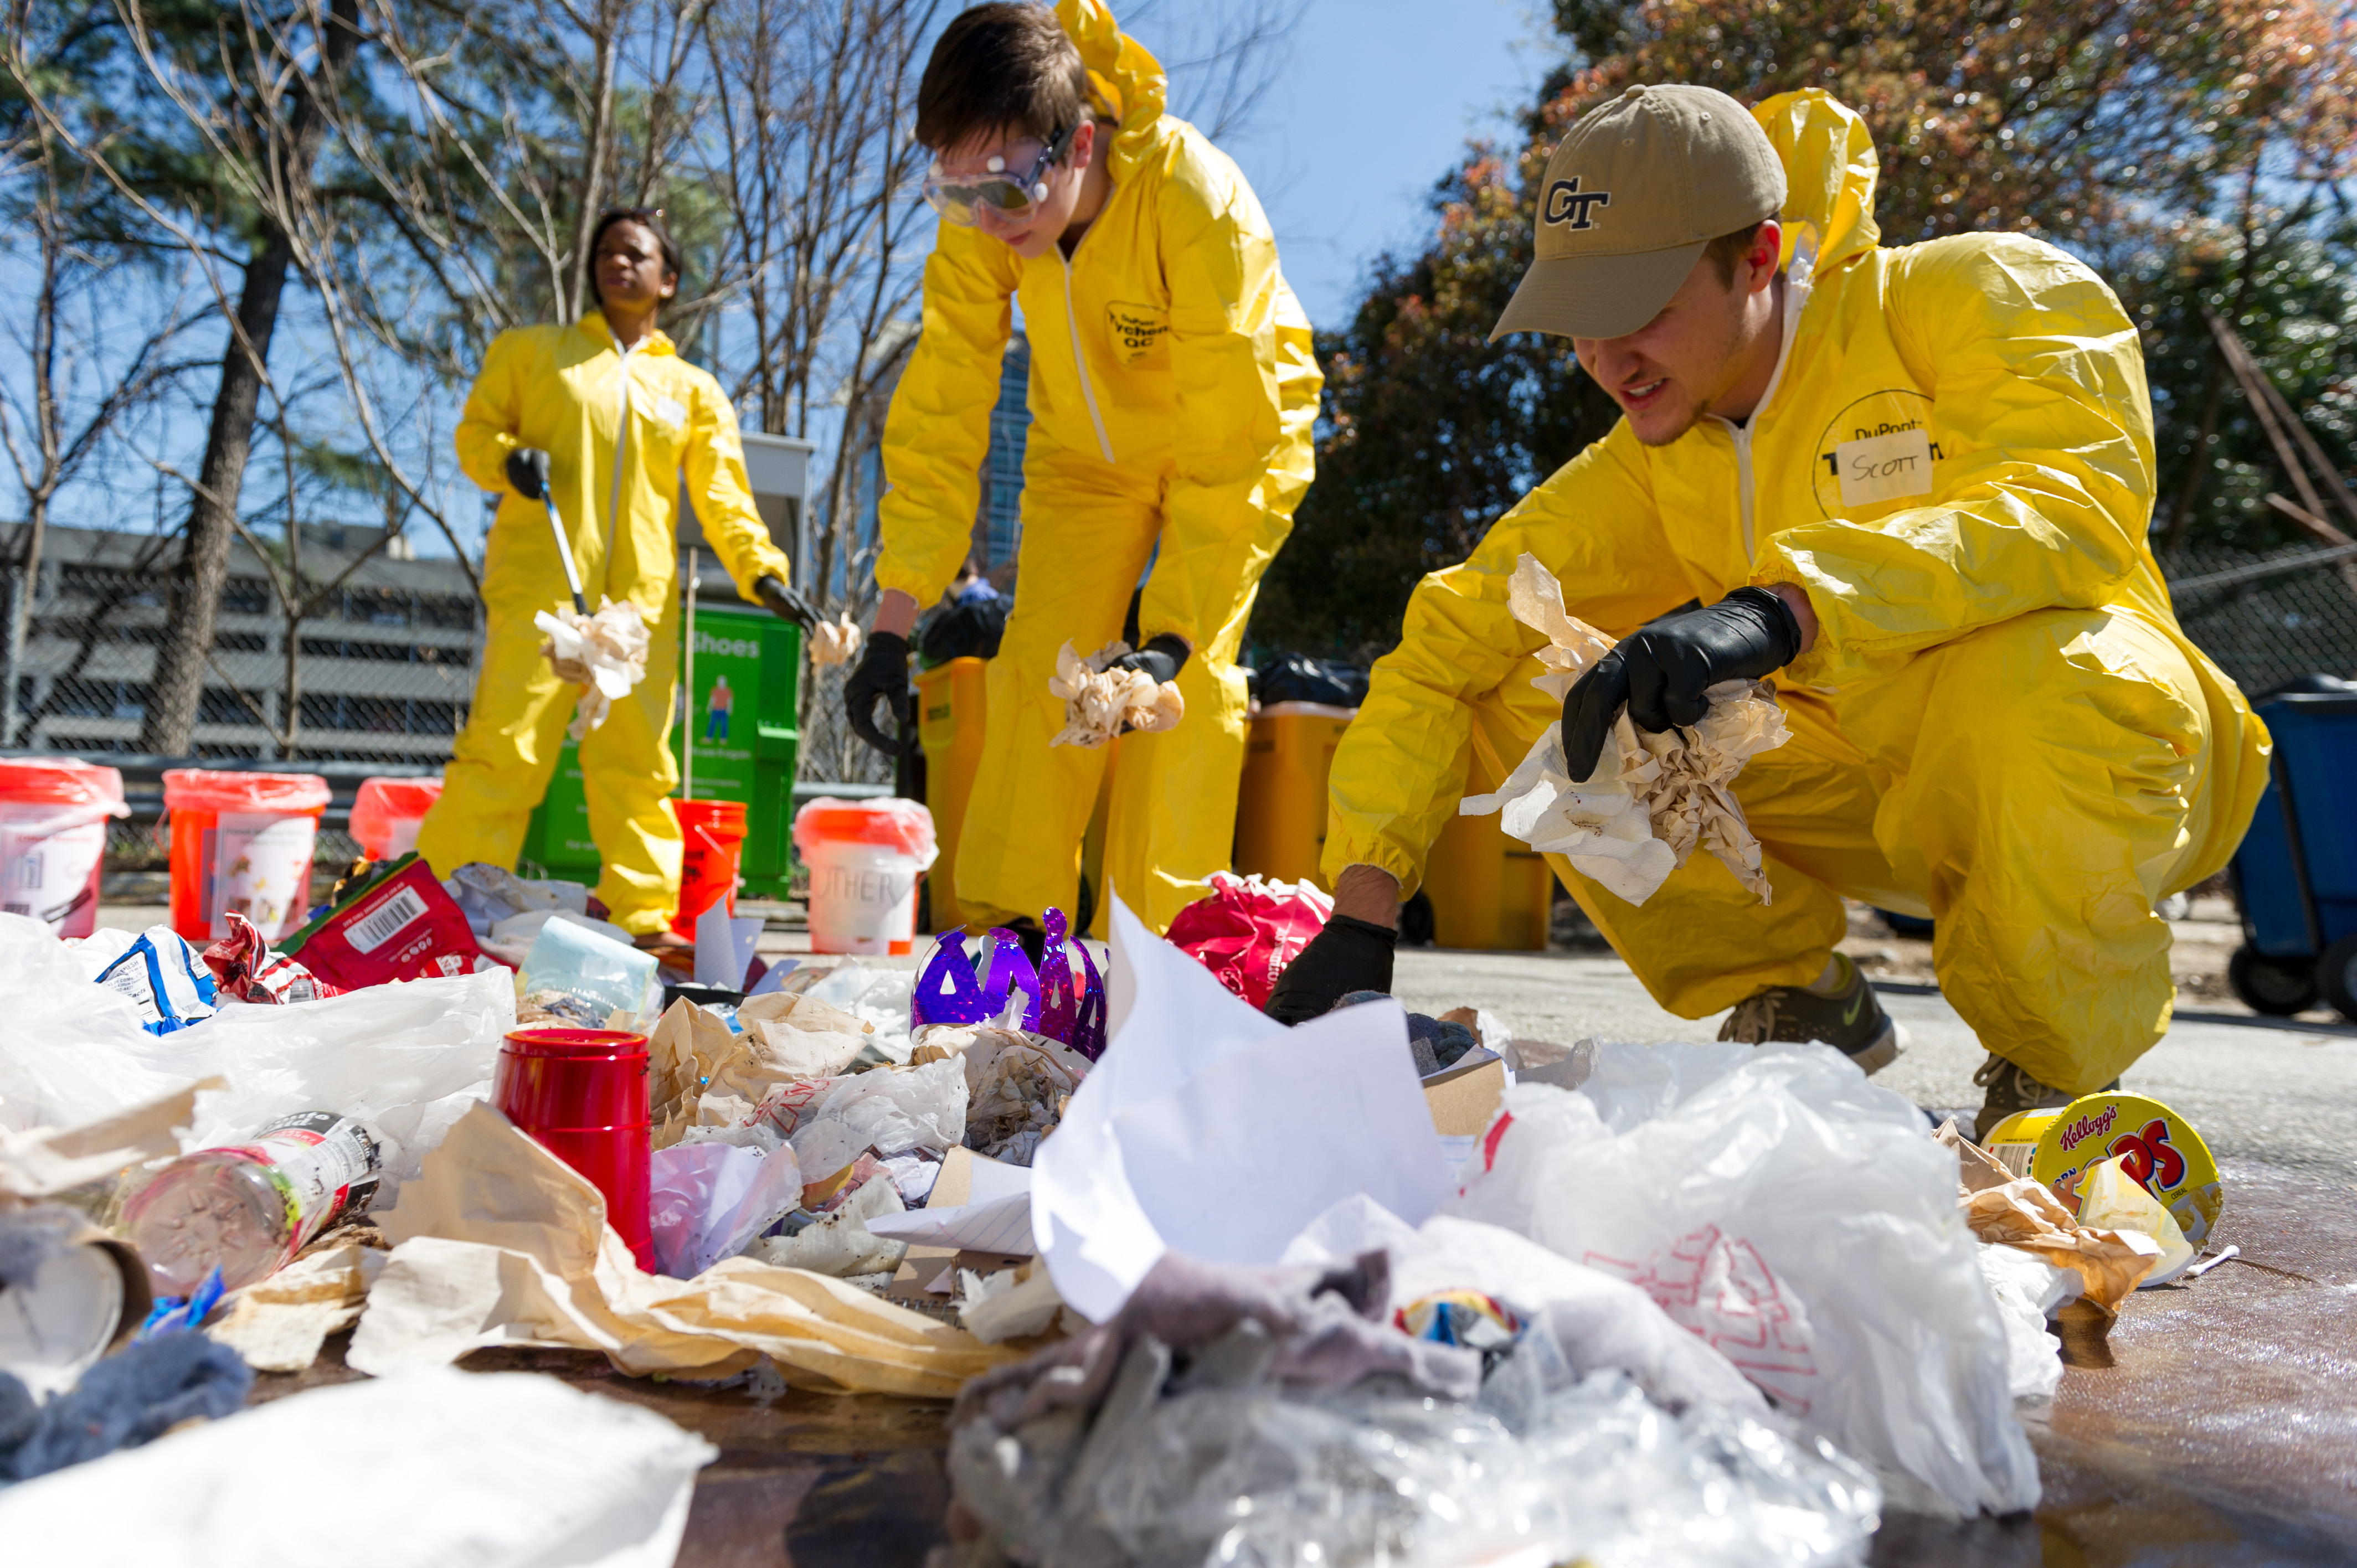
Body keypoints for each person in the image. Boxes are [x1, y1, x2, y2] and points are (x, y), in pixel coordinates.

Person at [1267, 86, 2268, 1138]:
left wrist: (1786, 608)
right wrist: (1362, 918)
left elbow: (2069, 506)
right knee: (1540, 690)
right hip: (1857, 793)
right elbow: (1439, 653)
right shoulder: (1648, 464)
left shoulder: (1970, 295)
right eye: (1579, 327)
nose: (1608, 363)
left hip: (2099, 767)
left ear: (1759, 255)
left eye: (1642, 309)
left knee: (2032, 678)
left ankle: (2056, 1078)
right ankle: (1801, 996)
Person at [842, 0, 1320, 938]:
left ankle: (1165, 950)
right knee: (1041, 672)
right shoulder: (986, 219)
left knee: (1179, 699)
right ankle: (1012, 934)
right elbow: (942, 405)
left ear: (1081, 141)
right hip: (1083, 463)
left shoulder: (1198, 200)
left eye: (1009, 191)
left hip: (1227, 444)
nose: (985, 217)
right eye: (957, 192)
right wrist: (892, 627)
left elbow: (1232, 443)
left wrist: (1176, 635)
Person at [418, 207, 819, 945]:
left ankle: (640, 918)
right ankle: (444, 903)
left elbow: (725, 495)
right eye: (605, 252)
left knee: (636, 762)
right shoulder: (533, 354)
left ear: (668, 280)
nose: (617, 264)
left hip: (639, 607)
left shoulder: (693, 390)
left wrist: (762, 571)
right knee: (503, 749)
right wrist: (506, 458)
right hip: (542, 590)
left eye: (636, 255)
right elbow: (476, 434)